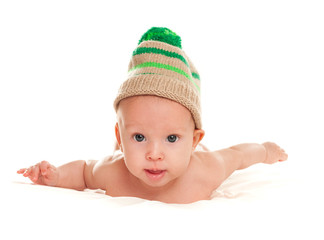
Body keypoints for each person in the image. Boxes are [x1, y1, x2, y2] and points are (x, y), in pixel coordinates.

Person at [17, 27, 288, 204]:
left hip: (193, 155)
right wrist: (56, 176)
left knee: (158, 139)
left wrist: (264, 150)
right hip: (125, 152)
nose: (154, 154)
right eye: (139, 137)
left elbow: (240, 154)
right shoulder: (113, 171)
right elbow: (85, 171)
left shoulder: (208, 168)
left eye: (172, 137)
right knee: (121, 152)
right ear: (119, 137)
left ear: (194, 140)